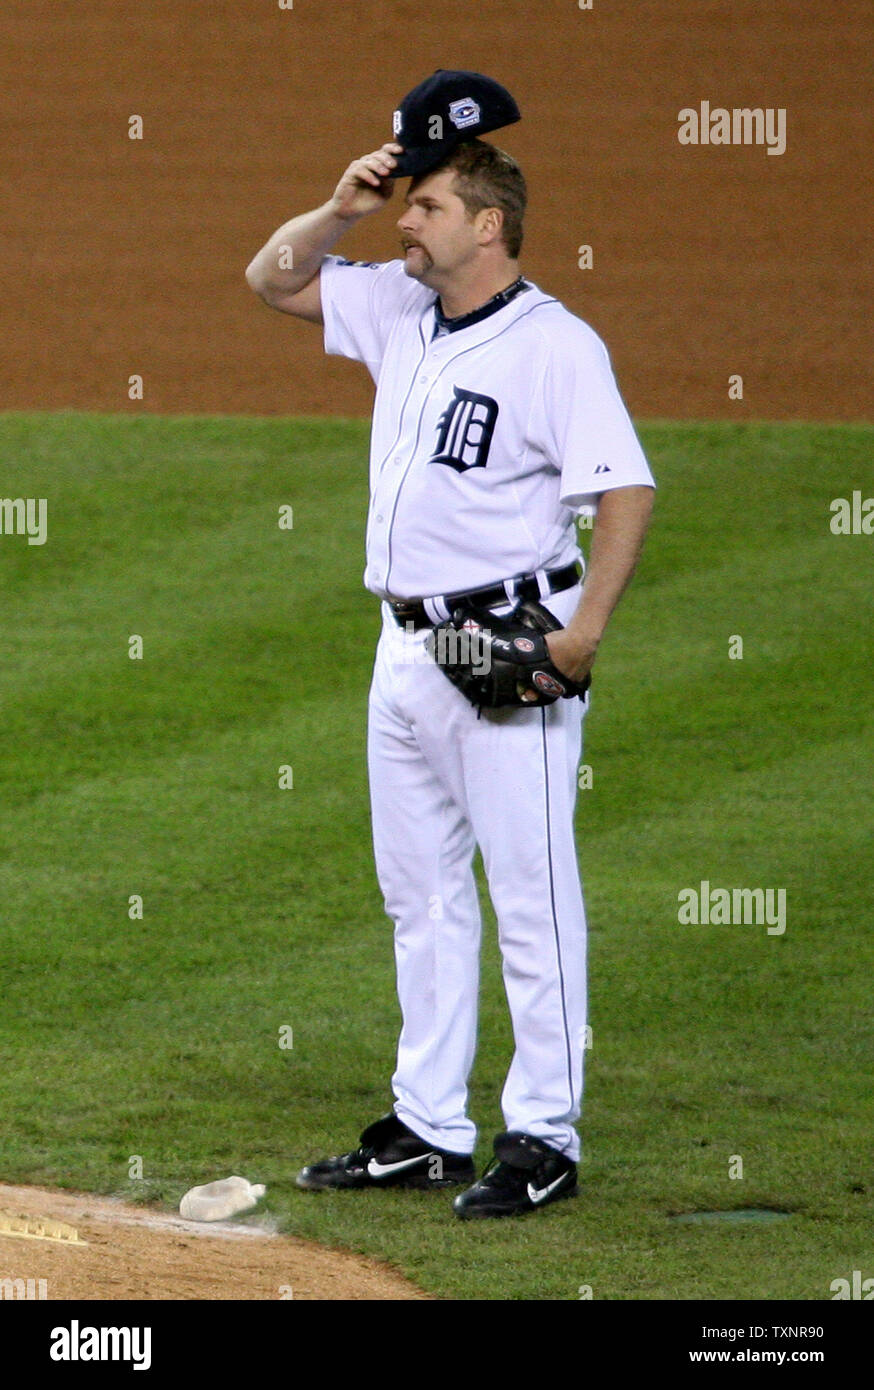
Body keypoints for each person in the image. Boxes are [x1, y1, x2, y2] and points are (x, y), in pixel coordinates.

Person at [246, 71, 655, 1219]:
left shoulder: (554, 347)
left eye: (422, 205)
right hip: (403, 650)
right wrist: (337, 209)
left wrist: (579, 638)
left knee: (530, 895)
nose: (403, 220)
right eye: (403, 202)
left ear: (489, 224)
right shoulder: (392, 306)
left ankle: (546, 1133)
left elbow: (623, 488)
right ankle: (429, 1124)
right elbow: (270, 280)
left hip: (505, 643)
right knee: (420, 894)